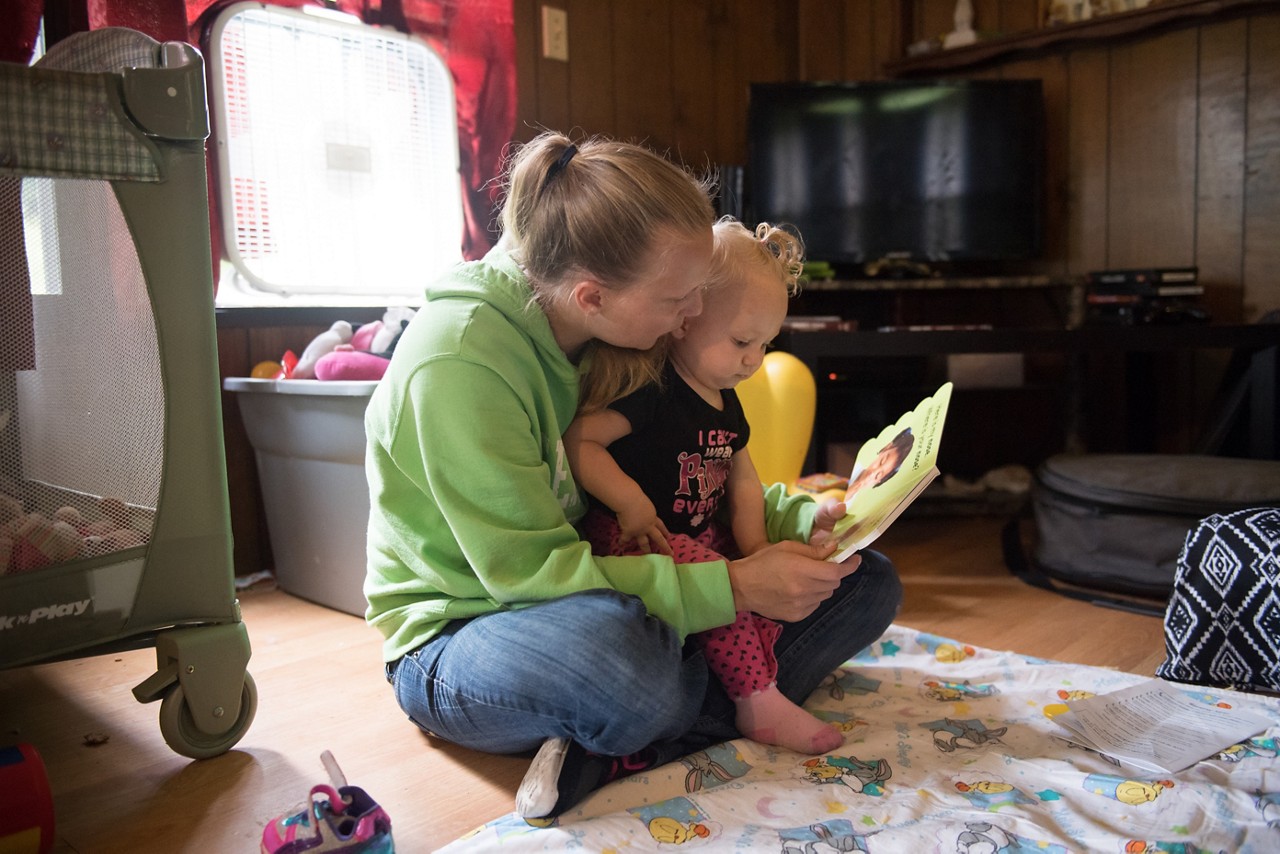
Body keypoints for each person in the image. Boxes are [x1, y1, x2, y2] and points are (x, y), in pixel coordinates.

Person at [363, 131, 903, 821]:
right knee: (629, 671)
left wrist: (796, 521)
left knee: (867, 582)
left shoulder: (602, 328)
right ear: (593, 296)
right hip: (470, 629)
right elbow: (532, 577)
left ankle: (648, 725)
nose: (690, 317)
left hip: (610, 585)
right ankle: (699, 700)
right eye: (679, 298)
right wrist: (734, 586)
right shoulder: (462, 363)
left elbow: (683, 475)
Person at [564, 219, 843, 756]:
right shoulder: (653, 390)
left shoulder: (725, 399)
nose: (754, 360)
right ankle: (756, 701)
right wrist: (631, 504)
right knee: (725, 585)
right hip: (639, 540)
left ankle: (721, 682)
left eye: (765, 344)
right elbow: (580, 442)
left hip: (696, 537)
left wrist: (759, 546)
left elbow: (742, 480)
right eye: (742, 341)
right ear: (685, 319)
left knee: (828, 577)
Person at [843, 428, 915, 504]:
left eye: (880, 475)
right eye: (881, 461)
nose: (873, 473)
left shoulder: (855, 504)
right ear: (885, 448)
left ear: (880, 481)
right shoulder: (849, 466)